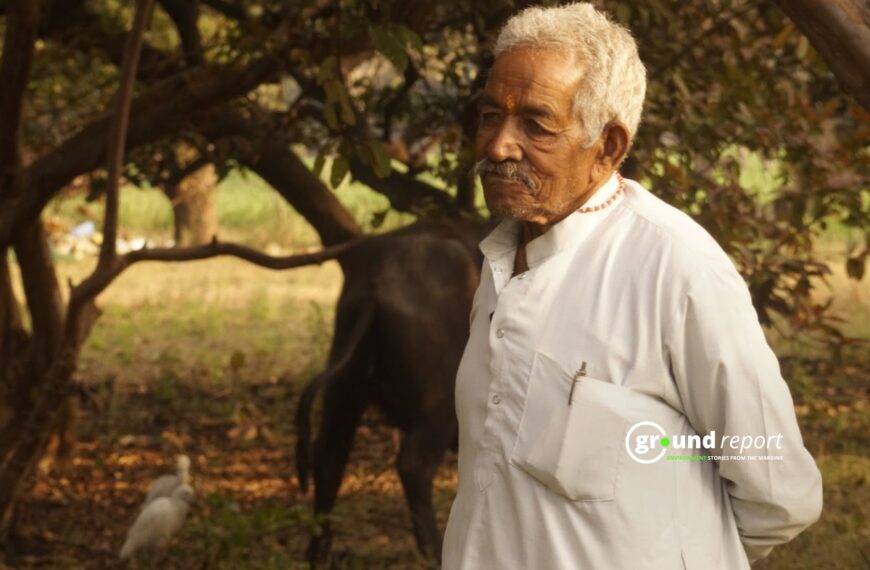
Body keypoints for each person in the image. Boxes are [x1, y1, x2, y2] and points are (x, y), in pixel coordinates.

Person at [441, 4, 823, 569]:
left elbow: (778, 490)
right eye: (491, 116)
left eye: (536, 125)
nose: (498, 145)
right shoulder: (503, 255)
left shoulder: (677, 267)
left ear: (610, 146)